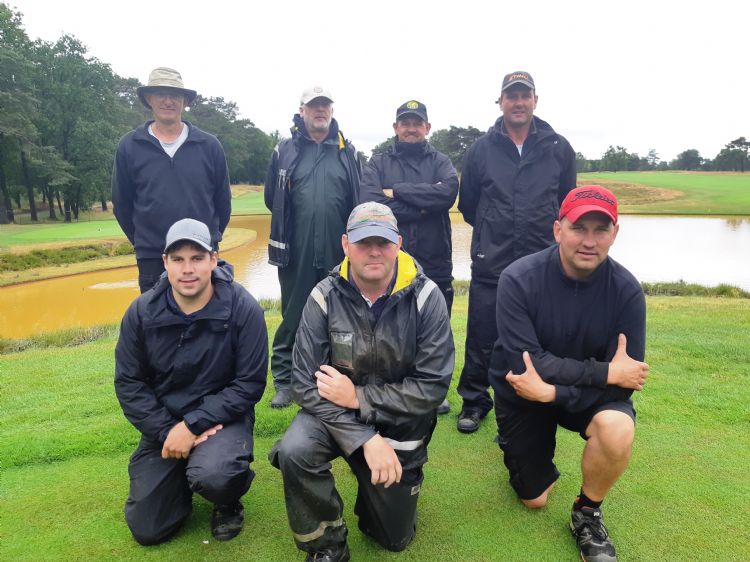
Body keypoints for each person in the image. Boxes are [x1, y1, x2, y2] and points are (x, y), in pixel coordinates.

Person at [270, 202, 454, 562]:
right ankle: (327, 546)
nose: (373, 251)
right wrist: (364, 437)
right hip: (332, 414)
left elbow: (431, 387)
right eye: (363, 242)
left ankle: (378, 496)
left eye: (383, 242)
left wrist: (358, 397)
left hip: (400, 421)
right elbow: (305, 384)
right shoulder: (322, 295)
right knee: (296, 450)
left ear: (398, 243)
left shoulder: (427, 297)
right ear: (345, 244)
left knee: (393, 538)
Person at [489, 186, 648, 562]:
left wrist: (554, 394)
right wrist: (606, 371)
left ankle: (587, 513)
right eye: (579, 228)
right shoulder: (518, 279)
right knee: (534, 499)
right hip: (522, 392)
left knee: (618, 425)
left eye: (600, 229)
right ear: (557, 229)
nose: (589, 241)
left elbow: (624, 386)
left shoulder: (627, 292)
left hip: (559, 395)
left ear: (615, 234)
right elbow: (529, 365)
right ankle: (521, 447)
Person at [114, 218, 267, 545]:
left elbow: (250, 384)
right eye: (178, 259)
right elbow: (129, 384)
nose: (188, 269)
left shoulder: (244, 309)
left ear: (214, 259)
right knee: (148, 528)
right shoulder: (140, 313)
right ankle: (179, 479)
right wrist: (170, 431)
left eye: (197, 258)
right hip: (164, 424)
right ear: (165, 262)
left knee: (217, 475)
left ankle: (226, 501)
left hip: (224, 421)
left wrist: (193, 425)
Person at [456, 70, 577, 433]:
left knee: (538, 336)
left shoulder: (559, 147)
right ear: (501, 102)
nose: (518, 102)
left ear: (535, 100)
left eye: (525, 95)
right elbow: (470, 205)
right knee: (482, 333)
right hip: (491, 261)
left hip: (542, 264)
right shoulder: (480, 149)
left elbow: (566, 204)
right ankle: (475, 402)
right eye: (512, 95)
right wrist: (493, 233)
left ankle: (530, 400)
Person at [264, 85, 360, 408]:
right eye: (313, 106)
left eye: (325, 105)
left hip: (338, 248)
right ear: (302, 110)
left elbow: (357, 201)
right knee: (293, 313)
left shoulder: (348, 152)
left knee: (340, 314)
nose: (320, 111)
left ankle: (336, 377)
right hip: (296, 249)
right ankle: (285, 381)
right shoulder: (284, 150)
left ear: (331, 111)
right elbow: (271, 198)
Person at [360, 100, 458, 414]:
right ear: (396, 127)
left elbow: (446, 195)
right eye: (405, 122)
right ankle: (393, 387)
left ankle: (434, 389)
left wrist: (397, 191)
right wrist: (423, 204)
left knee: (435, 326)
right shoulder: (378, 161)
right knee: (389, 323)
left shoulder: (440, 160)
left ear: (427, 127)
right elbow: (371, 201)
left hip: (435, 256)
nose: (411, 127)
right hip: (391, 258)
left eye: (417, 122)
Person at [112, 67, 232, 293]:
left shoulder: (209, 146)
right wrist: (145, 242)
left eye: (175, 95)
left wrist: (207, 241)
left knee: (206, 322)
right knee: (156, 323)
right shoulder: (129, 146)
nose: (168, 101)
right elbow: (122, 204)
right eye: (161, 94)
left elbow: (223, 203)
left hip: (201, 253)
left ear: (185, 100)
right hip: (152, 257)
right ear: (149, 99)